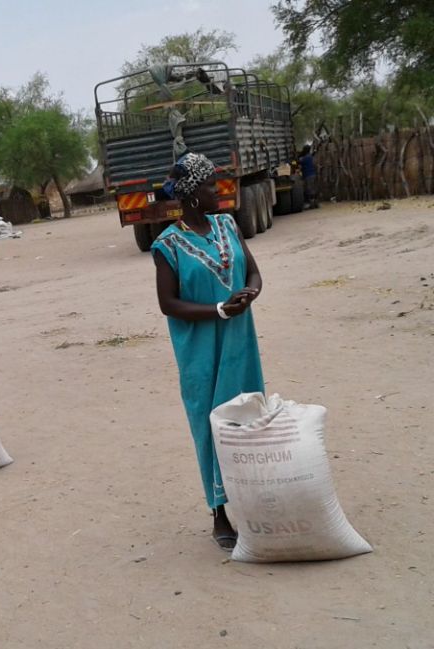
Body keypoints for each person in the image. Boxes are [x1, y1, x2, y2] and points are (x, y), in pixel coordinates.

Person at [152, 152, 264, 551]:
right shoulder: (167, 245)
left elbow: (252, 270)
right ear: (191, 195)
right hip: (199, 350)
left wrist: (250, 292)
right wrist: (217, 309)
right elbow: (168, 303)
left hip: (239, 342)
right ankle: (219, 511)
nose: (217, 191)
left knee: (248, 415)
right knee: (210, 424)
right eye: (209, 186)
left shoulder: (227, 225)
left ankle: (254, 499)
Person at [299, 144, 318, 208]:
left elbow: (299, 163)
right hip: (313, 174)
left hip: (308, 176)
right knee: (313, 189)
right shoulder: (310, 157)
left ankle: (312, 204)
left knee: (309, 190)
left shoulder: (304, 159)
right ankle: (315, 203)